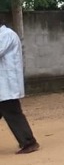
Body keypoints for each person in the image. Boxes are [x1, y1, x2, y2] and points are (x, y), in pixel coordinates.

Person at [0, 21, 40, 154]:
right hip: (3, 85)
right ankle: (28, 141)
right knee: (12, 112)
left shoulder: (6, 35)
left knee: (13, 113)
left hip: (7, 85)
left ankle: (29, 142)